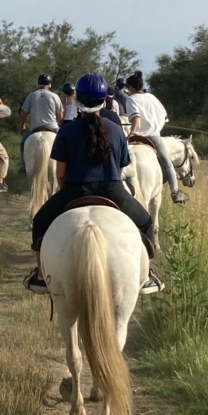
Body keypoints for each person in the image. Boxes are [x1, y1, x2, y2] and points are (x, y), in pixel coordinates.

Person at [23, 72, 162, 295]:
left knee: (39, 221)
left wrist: (66, 192)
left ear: (78, 100)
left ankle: (41, 276)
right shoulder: (117, 129)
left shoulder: (66, 131)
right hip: (113, 190)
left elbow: (60, 176)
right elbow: (121, 169)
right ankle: (146, 276)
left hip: (74, 189)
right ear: (102, 100)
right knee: (145, 221)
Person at [124, 70, 188, 204]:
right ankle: (175, 192)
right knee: (168, 162)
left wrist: (132, 132)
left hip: (138, 136)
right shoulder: (152, 97)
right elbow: (163, 118)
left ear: (130, 87)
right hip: (154, 136)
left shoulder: (131, 99)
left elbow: (135, 117)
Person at [19, 73, 64, 171]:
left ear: (38, 84)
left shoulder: (31, 95)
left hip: (34, 128)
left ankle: (23, 167)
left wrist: (22, 125)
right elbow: (60, 117)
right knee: (66, 143)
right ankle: (67, 165)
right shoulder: (55, 96)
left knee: (23, 143)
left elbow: (24, 113)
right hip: (52, 127)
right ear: (50, 84)